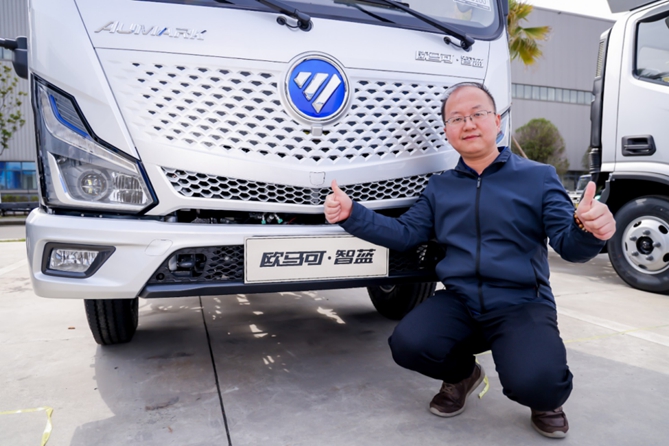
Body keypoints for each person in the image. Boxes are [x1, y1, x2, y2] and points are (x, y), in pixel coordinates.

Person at [323, 82, 616, 439]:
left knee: (537, 381)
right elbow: (406, 234)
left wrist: (590, 230)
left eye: (478, 114)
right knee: (409, 344)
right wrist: (351, 214)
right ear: (447, 131)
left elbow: (569, 245)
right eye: (457, 118)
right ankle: (462, 375)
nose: (468, 124)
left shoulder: (538, 177)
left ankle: (544, 398)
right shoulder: (440, 187)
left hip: (521, 302)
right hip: (461, 300)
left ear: (497, 121)